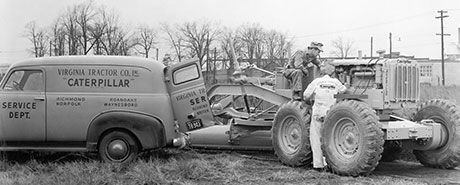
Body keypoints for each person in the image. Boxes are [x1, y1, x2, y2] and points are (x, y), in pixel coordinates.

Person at [303, 62, 347, 171]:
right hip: (330, 113)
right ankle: (329, 164)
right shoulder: (336, 82)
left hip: (318, 112)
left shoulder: (317, 81)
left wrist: (309, 102)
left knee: (316, 138)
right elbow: (343, 90)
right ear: (332, 72)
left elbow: (306, 95)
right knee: (329, 139)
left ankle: (318, 165)